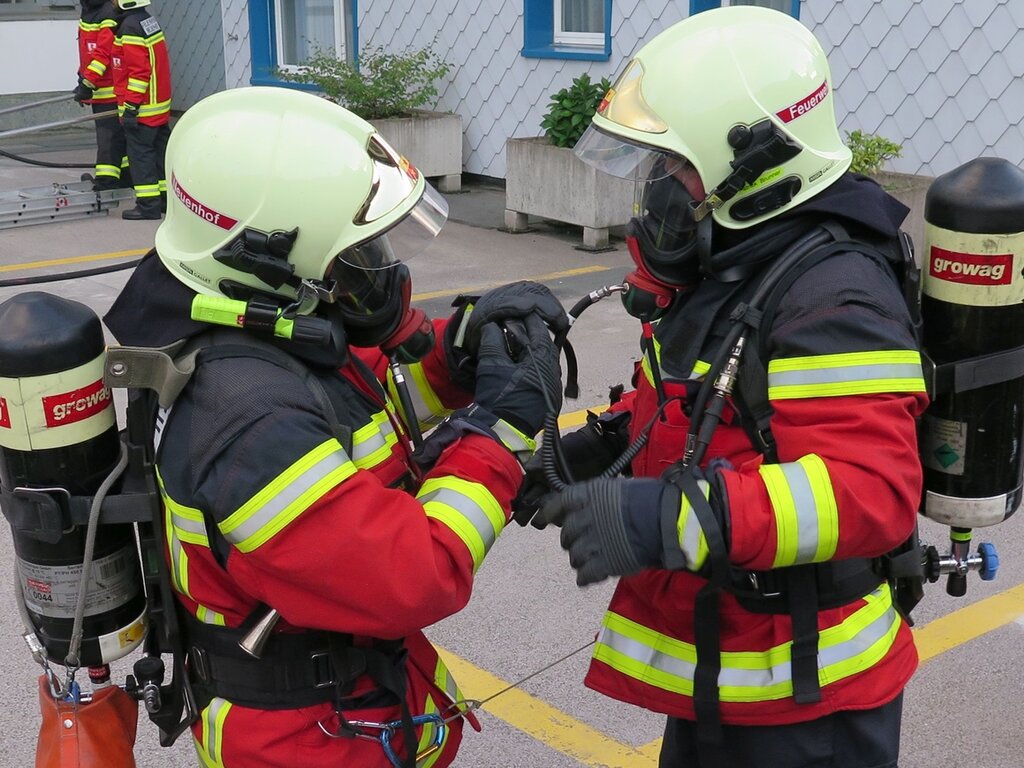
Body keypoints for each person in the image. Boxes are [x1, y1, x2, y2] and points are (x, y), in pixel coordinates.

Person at [102, 86, 565, 767]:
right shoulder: (249, 424)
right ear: (271, 259)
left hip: (341, 711)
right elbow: (414, 573)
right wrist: (498, 434)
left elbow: (350, 396)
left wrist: (457, 352)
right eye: (356, 253)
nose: (378, 270)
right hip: (309, 742)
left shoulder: (244, 327)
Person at [521, 7, 928, 768]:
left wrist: (671, 517)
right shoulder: (738, 257)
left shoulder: (836, 293)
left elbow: (869, 492)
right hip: (731, 673)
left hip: (809, 702)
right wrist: (591, 450)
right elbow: (707, 403)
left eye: (675, 167)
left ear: (757, 164)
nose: (659, 189)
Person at [110, 0, 172, 220]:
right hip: (158, 107)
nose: (111, 3)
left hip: (143, 109)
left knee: (140, 157)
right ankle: (165, 201)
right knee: (159, 156)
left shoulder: (130, 27)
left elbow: (139, 72)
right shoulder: (147, 21)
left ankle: (148, 206)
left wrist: (130, 107)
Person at [74, 0, 131, 191]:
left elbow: (104, 53)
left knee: (108, 138)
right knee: (116, 136)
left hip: (110, 89)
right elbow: (88, 50)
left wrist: (87, 82)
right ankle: (125, 176)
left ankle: (106, 182)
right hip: (100, 87)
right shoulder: (90, 10)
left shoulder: (107, 13)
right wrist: (82, 78)